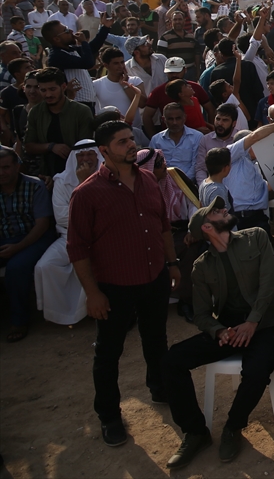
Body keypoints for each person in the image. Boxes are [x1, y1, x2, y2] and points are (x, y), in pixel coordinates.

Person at [67, 120, 182, 447]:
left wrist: (172, 264)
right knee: (108, 353)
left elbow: (163, 227)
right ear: (104, 151)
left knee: (156, 338)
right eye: (122, 142)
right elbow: (77, 248)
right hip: (115, 286)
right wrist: (93, 293)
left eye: (131, 139)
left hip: (154, 276)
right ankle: (109, 415)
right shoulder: (86, 194)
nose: (131, 145)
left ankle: (159, 387)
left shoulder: (148, 180)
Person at [160, 198, 274, 469]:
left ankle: (233, 426)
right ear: (207, 227)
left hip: (266, 323)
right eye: (217, 212)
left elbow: (269, 284)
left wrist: (252, 322)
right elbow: (201, 314)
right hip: (231, 328)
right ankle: (195, 432)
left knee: (257, 370)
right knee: (173, 359)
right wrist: (218, 331)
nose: (224, 210)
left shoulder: (256, 237)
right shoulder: (202, 267)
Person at [35, 140, 98, 328]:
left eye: (89, 154)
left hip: (99, 237)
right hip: (68, 237)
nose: (85, 159)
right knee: (44, 266)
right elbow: (62, 218)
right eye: (81, 155)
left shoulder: (108, 177)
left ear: (98, 155)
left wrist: (85, 183)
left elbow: (104, 214)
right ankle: (61, 315)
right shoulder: (61, 181)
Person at [0, 146, 55, 341]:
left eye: (6, 167)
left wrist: (17, 247)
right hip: (4, 239)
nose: (2, 172)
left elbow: (42, 224)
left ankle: (19, 320)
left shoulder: (35, 186)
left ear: (17, 166)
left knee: (16, 268)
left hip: (33, 239)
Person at [25, 67, 96, 176]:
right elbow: (29, 145)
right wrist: (51, 147)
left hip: (77, 172)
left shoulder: (81, 111)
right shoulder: (36, 112)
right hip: (47, 173)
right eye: (43, 90)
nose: (48, 95)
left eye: (52, 89)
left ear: (63, 87)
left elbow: (86, 147)